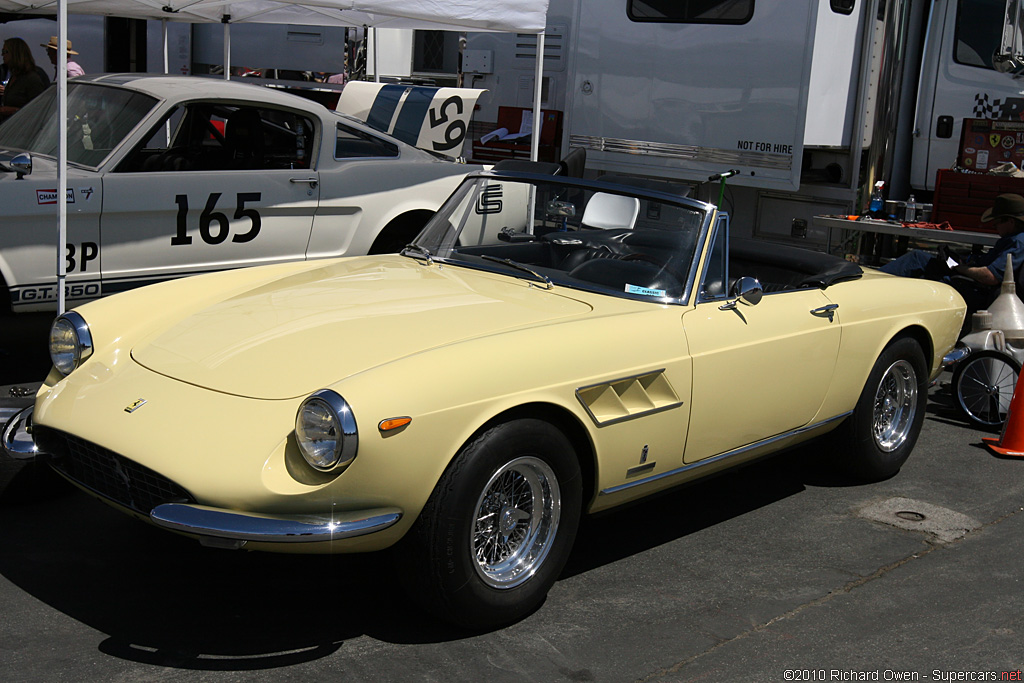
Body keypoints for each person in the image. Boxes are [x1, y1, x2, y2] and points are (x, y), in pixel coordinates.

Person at [881, 193, 1024, 311]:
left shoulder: (1017, 242)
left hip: (977, 290)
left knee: (916, 260)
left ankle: (875, 285)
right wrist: (963, 259)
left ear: (1010, 222)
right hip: (972, 282)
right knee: (921, 259)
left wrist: (960, 268)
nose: (995, 226)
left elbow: (991, 276)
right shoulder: (1010, 238)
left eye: (997, 222)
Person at [0, 38, 46, 124]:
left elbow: (39, 109)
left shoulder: (31, 79)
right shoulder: (14, 76)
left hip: (23, 130)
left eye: (5, 51)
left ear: (15, 54)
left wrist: (13, 110)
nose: (2, 55)